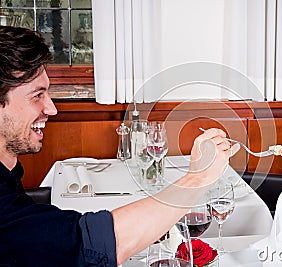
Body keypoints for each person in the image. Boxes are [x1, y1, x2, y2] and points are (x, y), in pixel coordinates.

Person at [0, 26, 236, 266]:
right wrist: (198, 178)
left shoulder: (9, 174)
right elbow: (90, 246)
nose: (52, 109)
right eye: (37, 95)